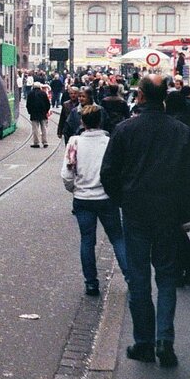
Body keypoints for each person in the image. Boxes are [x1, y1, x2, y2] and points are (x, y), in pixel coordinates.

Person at [101, 75, 190, 368]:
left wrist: (123, 198)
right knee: (167, 276)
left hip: (136, 212)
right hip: (169, 213)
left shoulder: (125, 130)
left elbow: (108, 173)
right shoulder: (181, 131)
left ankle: (144, 342)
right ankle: (165, 340)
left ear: (141, 96)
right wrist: (187, 213)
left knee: (139, 278)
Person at [62, 104, 129, 296]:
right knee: (117, 238)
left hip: (83, 199)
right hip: (106, 198)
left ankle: (91, 283)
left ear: (82, 122)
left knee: (87, 240)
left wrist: (75, 189)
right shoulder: (109, 142)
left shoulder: (74, 142)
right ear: (100, 121)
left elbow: (66, 174)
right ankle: (130, 278)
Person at [165, 90, 190, 288]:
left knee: (175, 230)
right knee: (178, 230)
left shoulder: (176, 126)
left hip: (178, 186)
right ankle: (186, 272)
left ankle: (187, 272)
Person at [26, 81, 51, 148]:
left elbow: (28, 104)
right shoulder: (43, 93)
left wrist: (30, 112)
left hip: (34, 113)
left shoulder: (30, 93)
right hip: (43, 113)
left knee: (35, 129)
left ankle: (36, 142)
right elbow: (48, 103)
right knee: (44, 128)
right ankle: (45, 142)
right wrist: (46, 111)